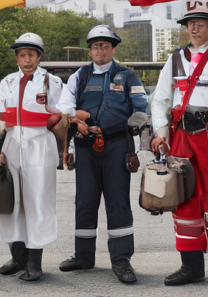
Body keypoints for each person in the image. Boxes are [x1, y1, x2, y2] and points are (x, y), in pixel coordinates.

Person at [151, 1, 208, 289]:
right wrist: (160, 135)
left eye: (201, 23)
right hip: (181, 137)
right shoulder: (174, 59)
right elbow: (161, 100)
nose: (195, 28)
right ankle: (191, 267)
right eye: (191, 24)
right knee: (183, 199)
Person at [56, 25, 147, 284]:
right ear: (90, 49)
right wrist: (77, 119)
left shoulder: (128, 77)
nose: (101, 50)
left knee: (117, 202)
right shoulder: (80, 76)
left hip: (118, 146)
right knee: (85, 201)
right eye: (96, 45)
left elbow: (141, 110)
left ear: (113, 49)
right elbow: (65, 105)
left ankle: (121, 260)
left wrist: (125, 132)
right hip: (85, 145)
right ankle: (83, 256)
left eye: (106, 45)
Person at [0, 33, 64, 281]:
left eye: (31, 54)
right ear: (16, 57)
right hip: (13, 144)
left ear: (39, 56)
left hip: (40, 145)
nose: (27, 59)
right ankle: (18, 256)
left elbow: (62, 110)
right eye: (22, 54)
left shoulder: (51, 82)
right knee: (13, 203)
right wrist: (2, 148)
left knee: (37, 203)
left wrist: (53, 116)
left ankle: (34, 262)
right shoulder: (8, 81)